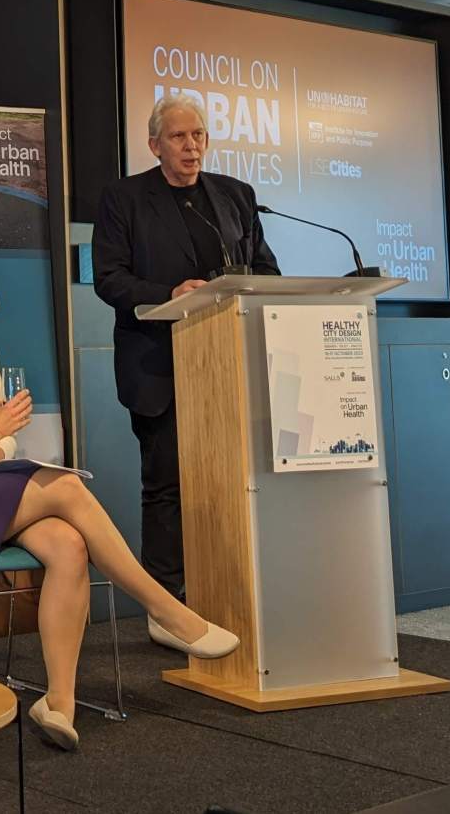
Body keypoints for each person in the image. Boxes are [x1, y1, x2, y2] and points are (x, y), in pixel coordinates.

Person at [0, 239, 239, 751]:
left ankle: (59, 704)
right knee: (68, 486)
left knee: (69, 545)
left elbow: (7, 444)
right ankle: (165, 609)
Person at [91, 94, 279, 627]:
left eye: (198, 135)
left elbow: (265, 269)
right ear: (155, 145)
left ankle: (227, 597)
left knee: (230, 485)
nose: (191, 146)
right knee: (168, 487)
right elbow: (109, 278)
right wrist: (169, 293)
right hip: (160, 365)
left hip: (229, 364)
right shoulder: (124, 199)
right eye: (179, 137)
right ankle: (168, 609)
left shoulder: (236, 196)